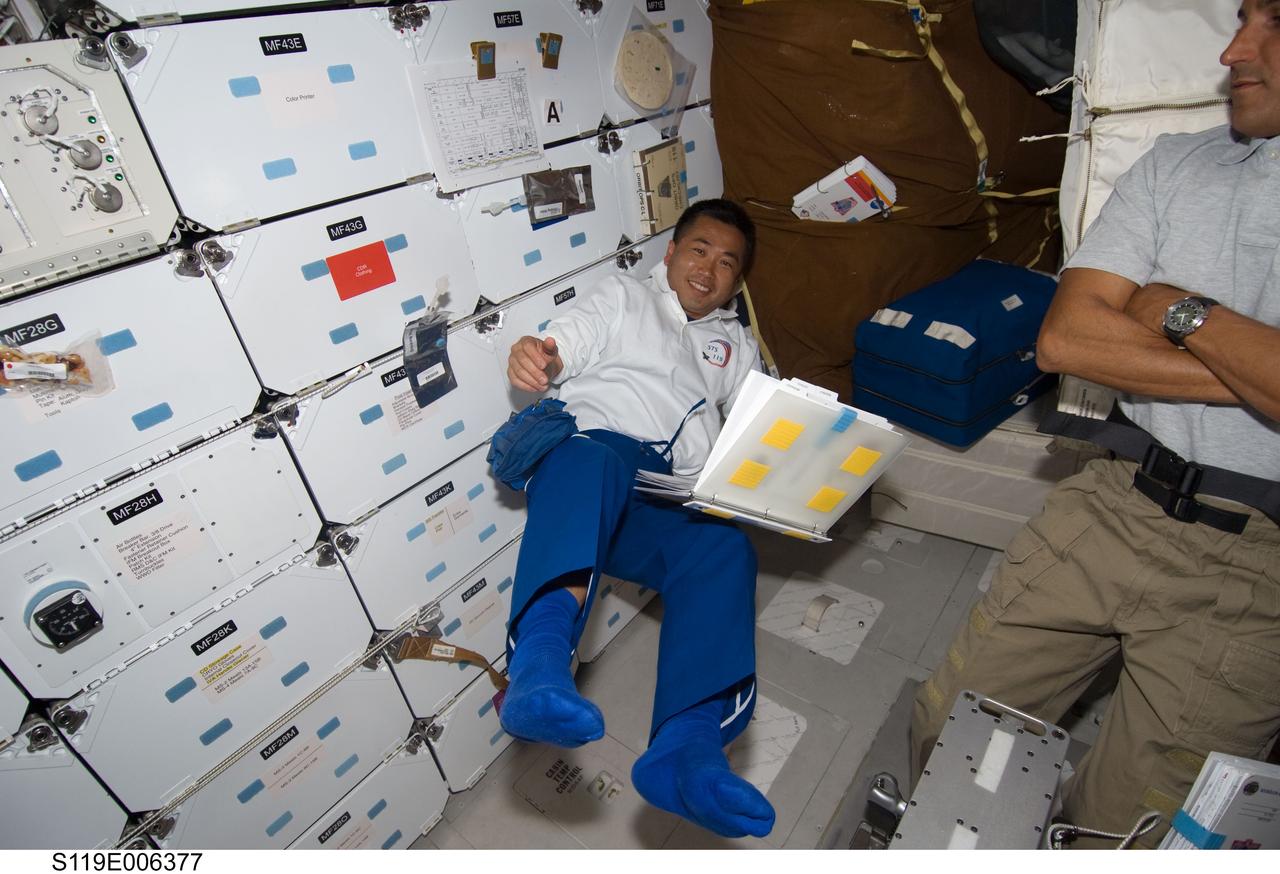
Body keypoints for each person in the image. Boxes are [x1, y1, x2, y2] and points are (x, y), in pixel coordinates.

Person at [910, 0, 1280, 848]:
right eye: (1241, 16)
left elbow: (1117, 328)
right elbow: (1067, 339)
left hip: (1261, 561)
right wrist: (1257, 371)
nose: (1234, 49)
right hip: (1118, 492)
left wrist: (1174, 310)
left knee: (1128, 835)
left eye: (1274, 22)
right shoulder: (1176, 164)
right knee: (945, 731)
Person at [499, 198, 776, 839]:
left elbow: (758, 428)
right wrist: (536, 356)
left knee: (725, 549)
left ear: (737, 281)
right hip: (596, 473)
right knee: (592, 455)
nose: (709, 269)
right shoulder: (624, 297)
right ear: (671, 252)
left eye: (727, 263)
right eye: (699, 250)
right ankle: (538, 665)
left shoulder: (735, 345)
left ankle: (688, 748)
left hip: (669, 496)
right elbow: (561, 347)